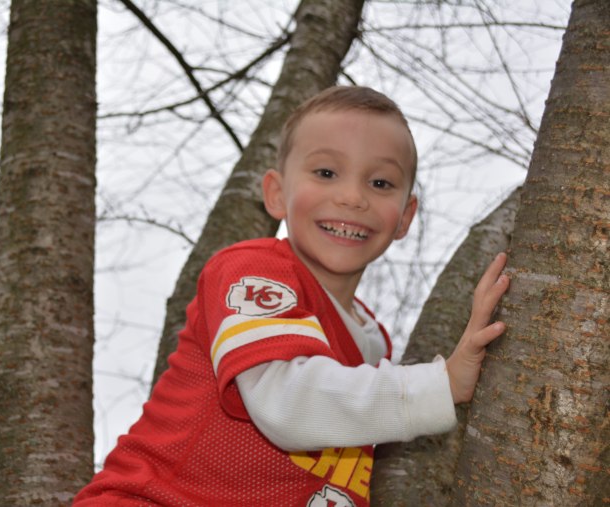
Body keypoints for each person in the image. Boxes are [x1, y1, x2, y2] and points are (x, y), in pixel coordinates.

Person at [73, 86, 510, 506]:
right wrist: (443, 384)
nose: (352, 197)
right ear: (277, 194)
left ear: (405, 217)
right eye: (326, 173)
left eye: (380, 183)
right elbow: (285, 401)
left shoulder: (372, 345)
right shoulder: (252, 271)